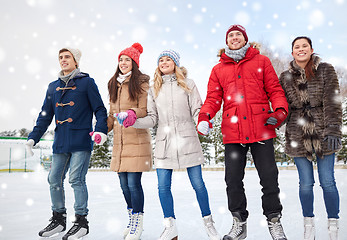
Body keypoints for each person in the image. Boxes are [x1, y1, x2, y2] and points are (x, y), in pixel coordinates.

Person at [197, 25, 289, 240]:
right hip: (233, 131)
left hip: (262, 128)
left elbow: (274, 89)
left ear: (245, 39)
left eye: (238, 34)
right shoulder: (218, 69)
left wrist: (280, 111)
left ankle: (274, 221)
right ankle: (239, 223)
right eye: (231, 35)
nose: (234, 37)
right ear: (226, 42)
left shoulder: (262, 61)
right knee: (233, 179)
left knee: (269, 178)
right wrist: (204, 116)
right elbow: (212, 98)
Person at [131, 50, 220, 240]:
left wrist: (202, 122)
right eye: (161, 60)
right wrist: (135, 122)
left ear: (175, 63)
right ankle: (170, 226)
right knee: (163, 187)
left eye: (168, 59)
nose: (164, 62)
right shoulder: (154, 88)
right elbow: (152, 118)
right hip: (165, 143)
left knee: (198, 184)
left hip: (188, 140)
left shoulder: (188, 84)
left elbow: (197, 109)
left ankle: (209, 223)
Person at [25, 47, 108, 239]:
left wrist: (101, 130)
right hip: (61, 141)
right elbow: (45, 116)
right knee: (54, 179)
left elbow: (100, 110)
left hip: (81, 140)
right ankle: (58, 219)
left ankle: (81, 222)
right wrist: (33, 137)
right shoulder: (52, 87)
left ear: (76, 61)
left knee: (76, 180)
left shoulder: (87, 83)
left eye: (67, 57)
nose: (63, 60)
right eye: (60, 57)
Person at [279, 36, 342, 240]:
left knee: (327, 181)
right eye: (297, 47)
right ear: (292, 52)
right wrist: (275, 118)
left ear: (311, 49)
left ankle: (333, 225)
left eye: (304, 46)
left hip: (324, 129)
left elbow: (333, 101)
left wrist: (333, 129)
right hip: (297, 132)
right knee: (305, 183)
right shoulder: (285, 77)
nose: (301, 49)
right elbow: (284, 106)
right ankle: (309, 224)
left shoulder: (325, 69)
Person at [107, 43, 152, 240]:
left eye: (127, 60)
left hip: (137, 138)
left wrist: (131, 113)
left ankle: (138, 223)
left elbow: (144, 109)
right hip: (120, 142)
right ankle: (131, 218)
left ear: (134, 63)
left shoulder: (141, 83)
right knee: (123, 185)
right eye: (121, 60)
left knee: (134, 183)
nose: (123, 63)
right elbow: (111, 114)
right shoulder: (113, 84)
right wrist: (100, 130)